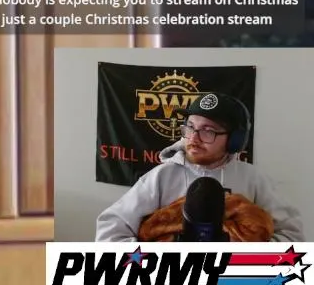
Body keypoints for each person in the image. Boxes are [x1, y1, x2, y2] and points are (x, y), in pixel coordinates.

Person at [95, 92, 303, 242]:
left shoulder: (253, 179)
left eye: (208, 131)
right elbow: (110, 229)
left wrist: (245, 259)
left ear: (234, 140)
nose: (193, 138)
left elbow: (292, 235)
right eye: (190, 127)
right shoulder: (161, 177)